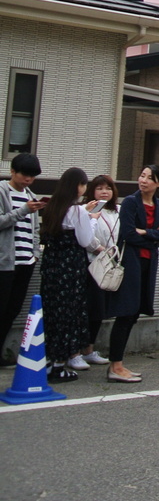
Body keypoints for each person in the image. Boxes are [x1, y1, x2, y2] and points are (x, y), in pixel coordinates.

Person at [104, 165, 159, 382]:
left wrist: (145, 232)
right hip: (130, 263)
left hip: (147, 264)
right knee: (126, 313)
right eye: (142, 175)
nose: (143, 180)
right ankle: (115, 366)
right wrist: (153, 236)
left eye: (149, 178)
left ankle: (118, 365)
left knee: (133, 314)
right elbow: (128, 234)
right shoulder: (131, 202)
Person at [39, 168, 96, 382]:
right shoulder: (78, 211)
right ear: (78, 186)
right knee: (69, 315)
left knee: (52, 314)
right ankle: (59, 365)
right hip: (71, 268)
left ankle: (47, 362)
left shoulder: (52, 207)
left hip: (52, 267)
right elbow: (85, 240)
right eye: (84, 185)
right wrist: (91, 218)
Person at [0, 152, 45, 362]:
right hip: (4, 262)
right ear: (12, 171)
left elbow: (34, 230)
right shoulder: (2, 191)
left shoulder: (30, 195)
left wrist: (34, 253)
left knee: (13, 310)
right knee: (2, 309)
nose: (28, 179)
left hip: (26, 261)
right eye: (24, 174)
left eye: (32, 176)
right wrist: (23, 210)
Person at [72, 174, 120, 372]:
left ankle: (89, 349)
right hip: (91, 263)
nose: (104, 192)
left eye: (108, 188)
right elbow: (86, 236)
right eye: (99, 188)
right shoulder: (88, 209)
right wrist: (100, 249)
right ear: (92, 191)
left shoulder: (118, 210)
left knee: (100, 310)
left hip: (109, 264)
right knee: (88, 308)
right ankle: (77, 350)